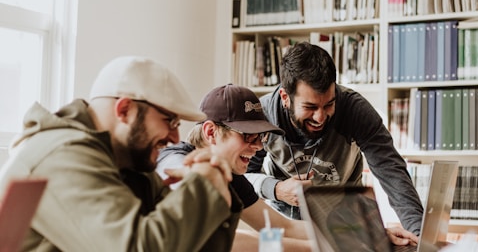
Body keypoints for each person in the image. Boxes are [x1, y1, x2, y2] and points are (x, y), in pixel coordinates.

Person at [0, 56, 240, 251]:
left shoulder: (128, 163)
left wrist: (217, 186)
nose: (175, 138)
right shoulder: (62, 156)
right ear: (124, 109)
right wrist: (201, 185)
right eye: (169, 121)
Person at [245, 41, 424, 245]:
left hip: (346, 223)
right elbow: (242, 177)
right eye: (310, 107)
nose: (320, 117)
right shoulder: (263, 115)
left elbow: (392, 171)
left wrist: (420, 237)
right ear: (286, 97)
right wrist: (276, 189)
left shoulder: (355, 110)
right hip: (286, 227)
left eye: (329, 104)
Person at [156, 84, 312, 252]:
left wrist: (338, 232)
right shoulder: (173, 158)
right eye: (248, 135)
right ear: (210, 132)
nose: (259, 146)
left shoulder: (230, 174)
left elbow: (283, 227)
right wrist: (311, 248)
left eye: (261, 136)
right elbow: (219, 239)